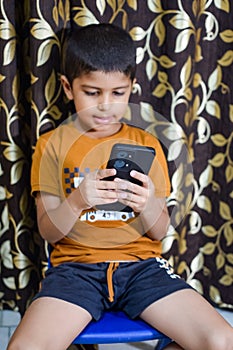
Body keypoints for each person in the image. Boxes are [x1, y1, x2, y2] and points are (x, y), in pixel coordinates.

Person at [7, 23, 233, 350]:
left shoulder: (146, 144)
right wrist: (78, 200)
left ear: (132, 87)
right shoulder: (52, 145)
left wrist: (146, 204)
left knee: (222, 339)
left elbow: (159, 232)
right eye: (92, 92)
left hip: (142, 269)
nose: (106, 105)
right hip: (76, 272)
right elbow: (48, 231)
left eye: (118, 93)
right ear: (69, 88)